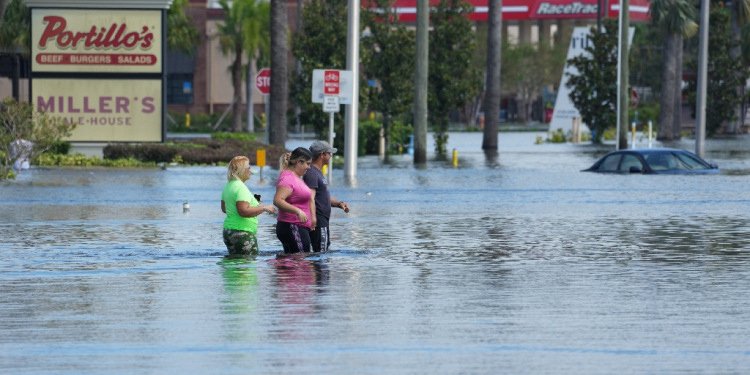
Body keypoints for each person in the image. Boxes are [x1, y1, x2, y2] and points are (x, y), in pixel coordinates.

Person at [221, 156, 276, 256]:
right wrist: (264, 208)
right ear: (241, 170)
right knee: (248, 266)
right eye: (249, 168)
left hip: (228, 232)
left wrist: (254, 202)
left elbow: (225, 209)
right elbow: (243, 211)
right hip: (242, 233)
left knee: (234, 266)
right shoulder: (241, 188)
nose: (251, 170)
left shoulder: (228, 186)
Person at [303, 140, 350, 253]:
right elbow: (310, 197)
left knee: (323, 250)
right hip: (318, 220)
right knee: (321, 253)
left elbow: (324, 196)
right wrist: (313, 218)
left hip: (323, 219)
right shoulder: (311, 173)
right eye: (329, 153)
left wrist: (339, 204)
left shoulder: (318, 173)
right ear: (321, 154)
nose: (330, 156)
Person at [273, 147, 314, 254]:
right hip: (292, 225)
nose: (309, 167)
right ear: (298, 162)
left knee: (292, 264)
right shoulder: (287, 178)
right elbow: (278, 200)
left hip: (297, 226)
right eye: (307, 164)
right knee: (302, 261)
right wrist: (298, 211)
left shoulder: (296, 177)